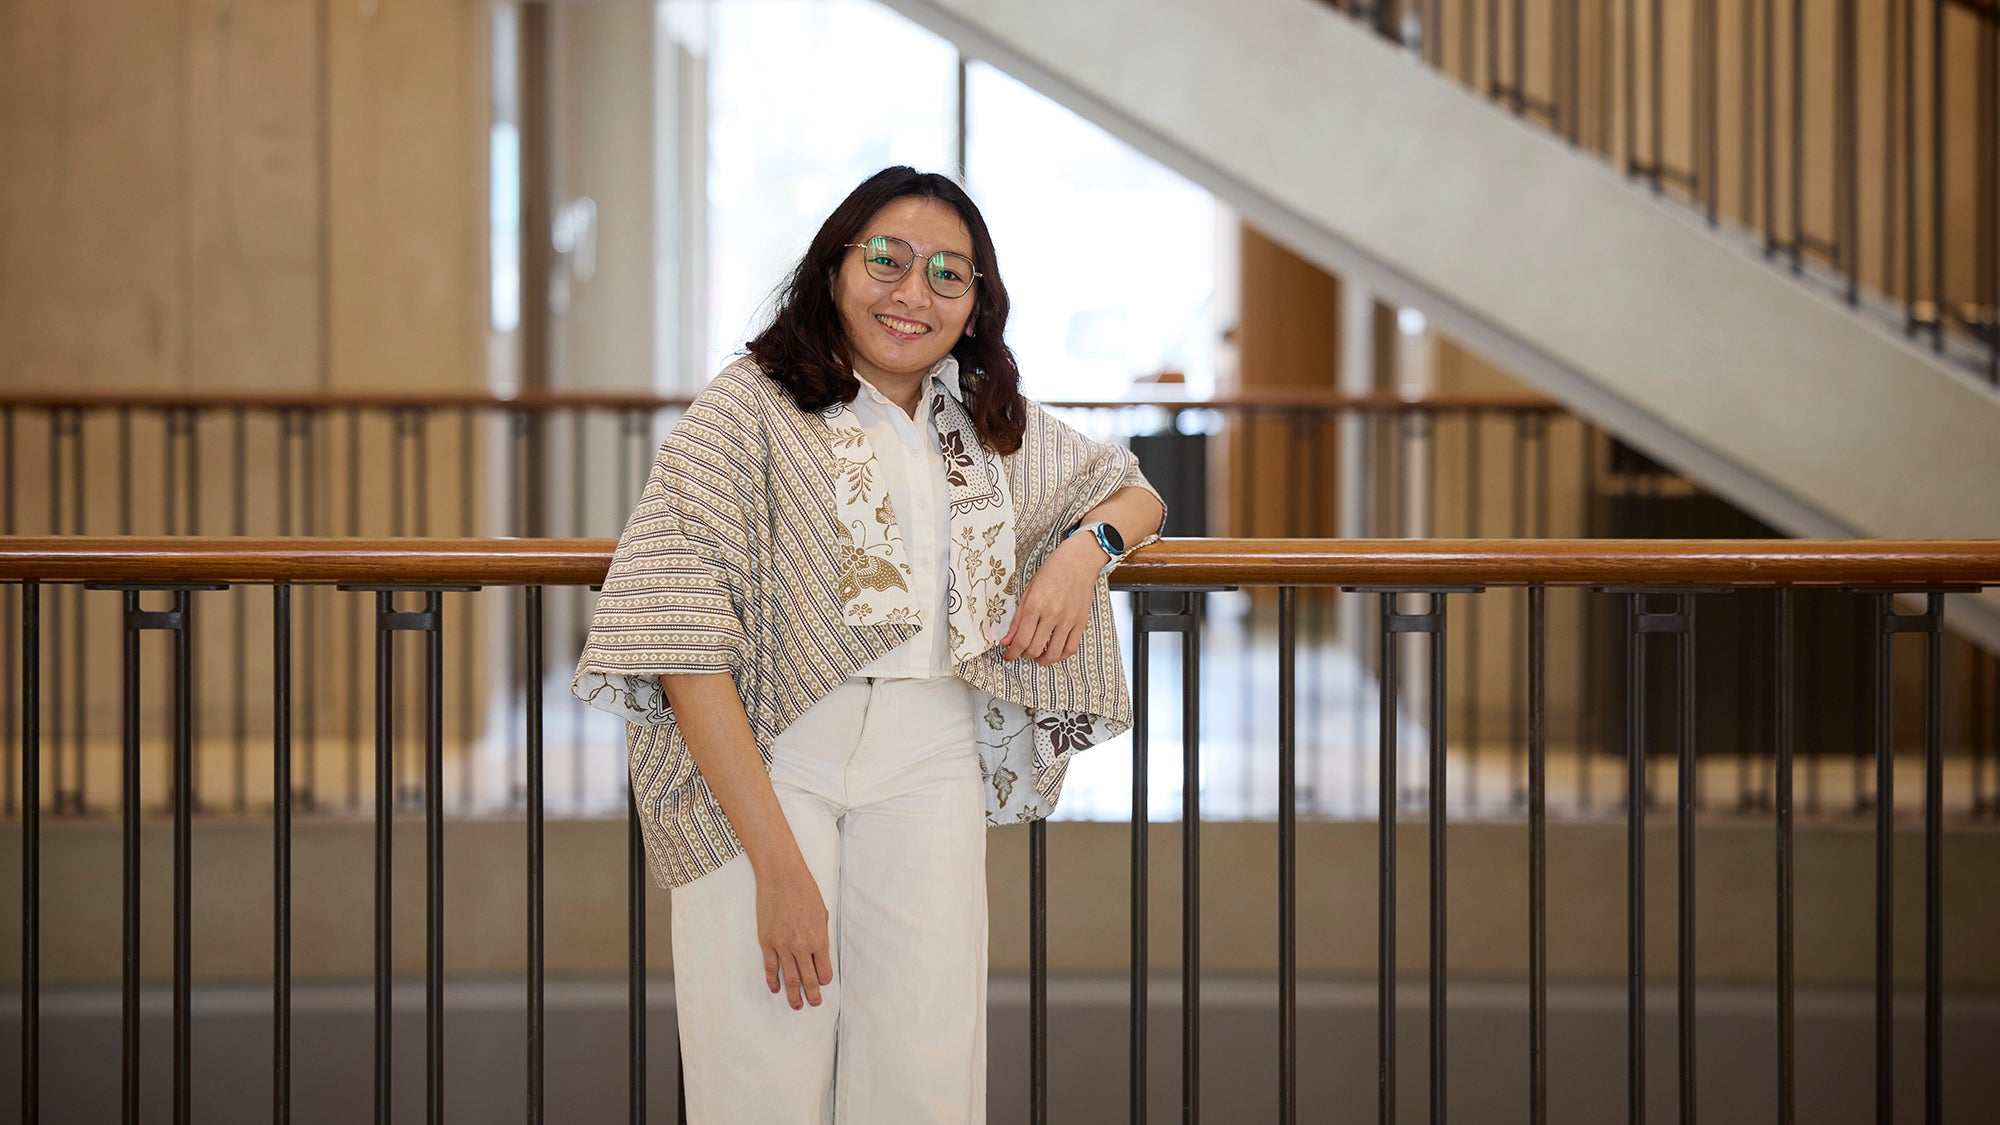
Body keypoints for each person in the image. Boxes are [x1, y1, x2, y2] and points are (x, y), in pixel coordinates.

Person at [572, 165, 1166, 1123]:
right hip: (772, 761)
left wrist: (1082, 553)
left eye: (948, 273)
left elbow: (1133, 490)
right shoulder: (747, 409)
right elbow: (683, 636)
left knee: (926, 1075)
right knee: (758, 1073)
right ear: (834, 267)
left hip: (933, 758)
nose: (911, 293)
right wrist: (775, 865)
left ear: (977, 305)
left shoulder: (981, 424)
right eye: (886, 259)